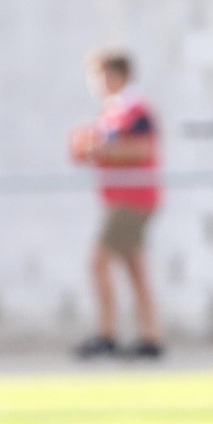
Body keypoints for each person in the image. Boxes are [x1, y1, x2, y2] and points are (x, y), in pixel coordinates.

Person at [67, 49, 163, 359]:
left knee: (99, 261)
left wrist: (97, 149)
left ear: (118, 75)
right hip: (122, 198)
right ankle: (149, 336)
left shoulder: (134, 109)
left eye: (101, 75)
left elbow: (141, 149)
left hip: (132, 199)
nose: (96, 83)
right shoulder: (115, 111)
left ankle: (107, 333)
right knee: (134, 267)